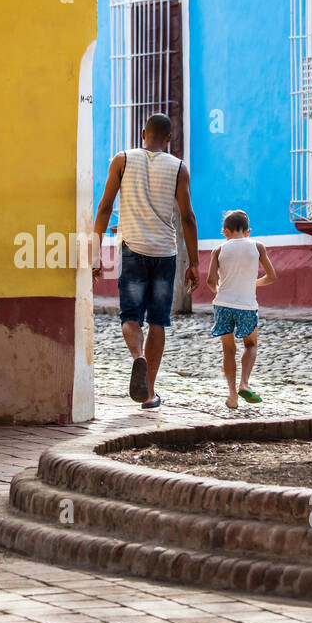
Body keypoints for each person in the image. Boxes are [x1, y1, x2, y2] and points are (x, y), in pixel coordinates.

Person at [92, 113, 199, 409]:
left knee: (130, 317)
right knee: (158, 322)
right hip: (165, 253)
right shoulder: (179, 168)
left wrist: (94, 252)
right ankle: (149, 392)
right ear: (169, 139)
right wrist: (194, 262)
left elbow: (104, 207)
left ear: (142, 133)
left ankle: (137, 357)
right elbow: (187, 217)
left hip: (132, 250)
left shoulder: (122, 160)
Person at [206, 209, 276, 409]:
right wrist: (251, 283)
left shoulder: (218, 250)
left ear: (225, 231)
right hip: (246, 305)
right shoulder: (258, 246)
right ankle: (244, 383)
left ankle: (231, 395)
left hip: (223, 304)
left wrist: (221, 289)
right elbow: (272, 276)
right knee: (251, 345)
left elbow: (210, 281)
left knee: (228, 350)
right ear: (248, 231)